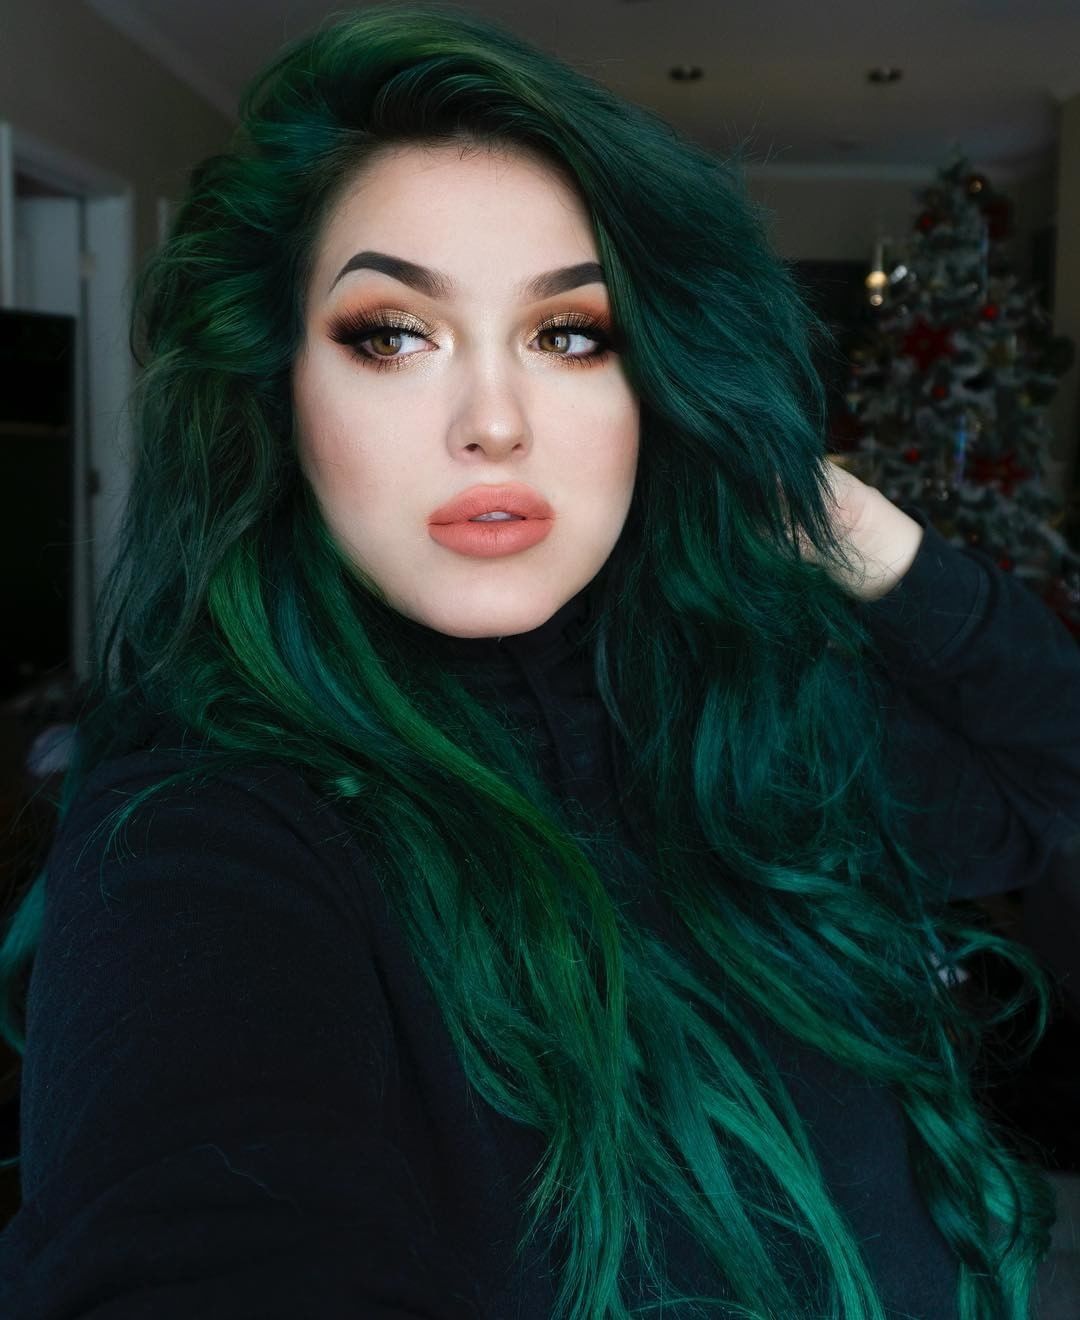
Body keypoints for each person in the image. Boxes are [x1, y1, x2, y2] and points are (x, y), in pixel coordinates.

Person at [1, 4, 1079, 1316]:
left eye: (571, 334)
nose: (494, 423)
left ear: (653, 387)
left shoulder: (751, 718)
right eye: (392, 333)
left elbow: (1049, 773)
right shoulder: (205, 842)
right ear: (279, 395)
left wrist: (838, 523)